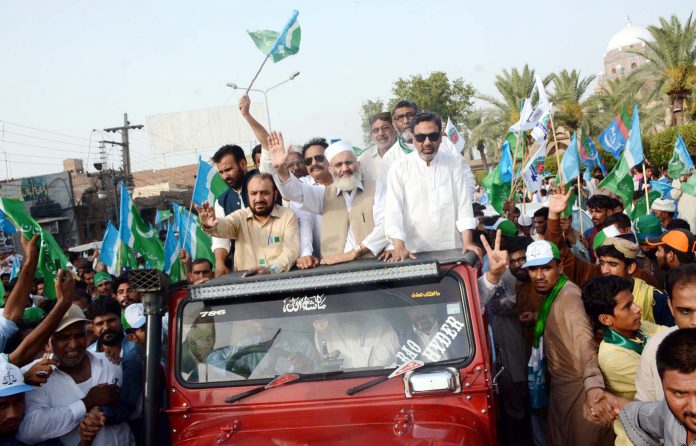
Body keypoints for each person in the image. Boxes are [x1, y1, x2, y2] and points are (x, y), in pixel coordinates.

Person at [522, 240, 615, 445]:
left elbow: (584, 340)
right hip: (560, 389)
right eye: (533, 269)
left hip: (579, 389)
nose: (539, 276)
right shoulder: (553, 295)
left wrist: (593, 386)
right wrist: (537, 316)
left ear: (560, 267)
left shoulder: (570, 296)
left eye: (546, 268)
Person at [17, 304, 134, 445]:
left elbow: (133, 410)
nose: (73, 345)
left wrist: (107, 412)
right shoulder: (34, 376)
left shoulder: (110, 362)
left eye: (79, 335)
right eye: (63, 337)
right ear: (48, 342)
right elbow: (29, 431)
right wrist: (87, 403)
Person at [269, 134, 387, 265]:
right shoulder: (323, 194)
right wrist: (280, 169)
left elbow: (385, 225)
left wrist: (353, 253)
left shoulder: (377, 188)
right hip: (333, 270)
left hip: (372, 266)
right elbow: (296, 193)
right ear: (331, 170)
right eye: (338, 165)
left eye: (349, 162)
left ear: (358, 164)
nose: (345, 169)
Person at [384, 112, 480, 261]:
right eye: (421, 137)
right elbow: (393, 212)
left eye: (433, 136)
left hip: (452, 250)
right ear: (413, 138)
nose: (427, 142)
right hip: (413, 253)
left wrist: (467, 242)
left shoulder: (453, 163)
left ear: (441, 137)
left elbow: (464, 206)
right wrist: (399, 246)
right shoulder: (399, 168)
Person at [582, 275, 666, 445]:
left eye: (633, 301)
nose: (637, 309)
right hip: (638, 437)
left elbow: (672, 336)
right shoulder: (613, 356)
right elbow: (664, 380)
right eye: (627, 307)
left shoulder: (640, 328)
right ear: (606, 319)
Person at [199, 173, 300, 275]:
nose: (259, 199)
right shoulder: (240, 217)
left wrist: (271, 269)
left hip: (279, 282)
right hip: (245, 284)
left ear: (275, 194)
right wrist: (211, 225)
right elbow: (224, 225)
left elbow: (291, 251)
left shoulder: (287, 216)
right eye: (253, 193)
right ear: (248, 196)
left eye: (265, 193)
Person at [619, 328, 696, 445]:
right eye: (679, 394)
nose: (694, 409)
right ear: (663, 386)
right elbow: (637, 414)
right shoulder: (667, 412)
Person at [636, 264, 696, 402]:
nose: (694, 321)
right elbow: (646, 405)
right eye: (685, 311)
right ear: (671, 307)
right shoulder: (654, 349)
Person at [358, 112, 397, 182]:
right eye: (375, 130)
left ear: (395, 129)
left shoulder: (407, 153)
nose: (381, 133)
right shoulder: (365, 159)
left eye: (385, 128)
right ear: (371, 135)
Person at [585, 194, 616, 262]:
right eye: (591, 211)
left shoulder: (618, 234)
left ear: (609, 212)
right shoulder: (588, 234)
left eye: (598, 211)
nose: (593, 215)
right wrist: (586, 248)